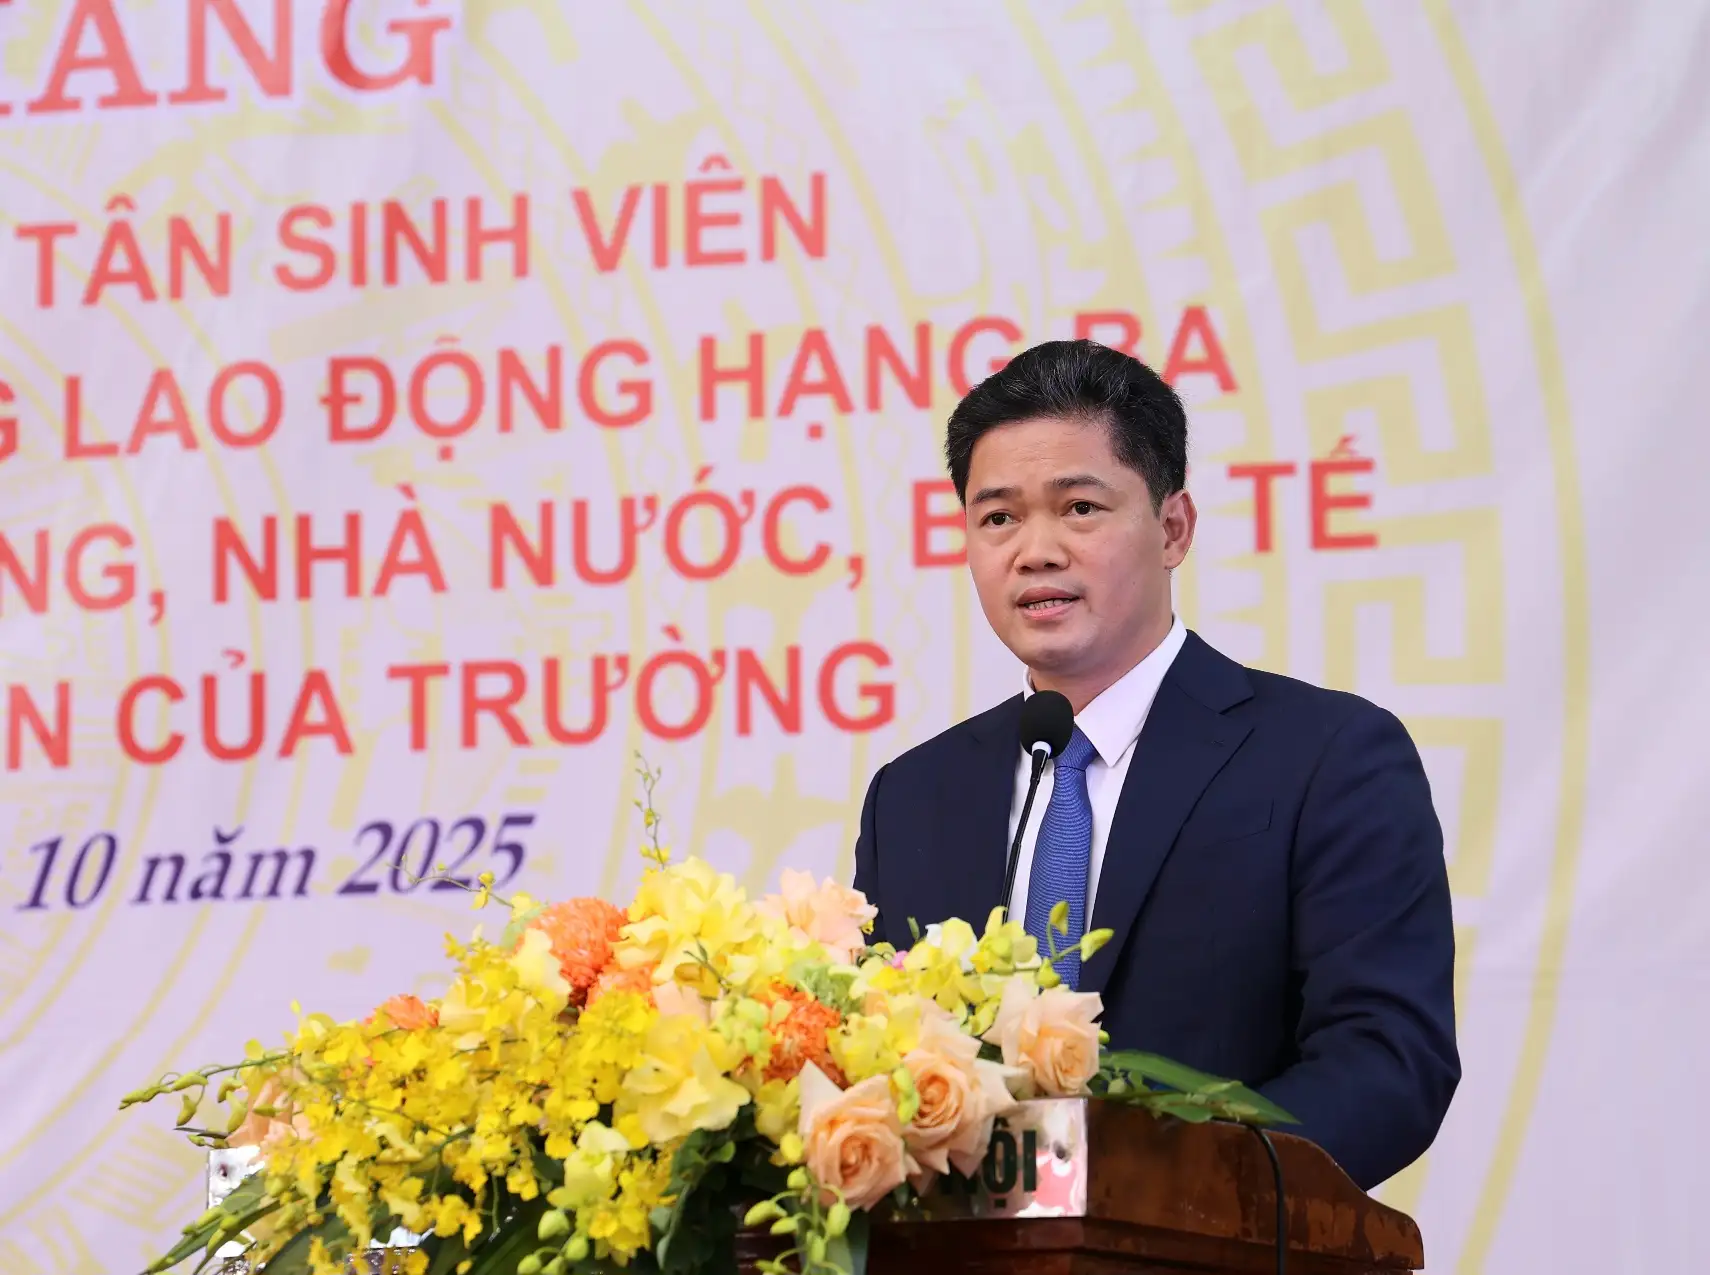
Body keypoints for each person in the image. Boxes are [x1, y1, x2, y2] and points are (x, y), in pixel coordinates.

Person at [851, 340, 1458, 1190]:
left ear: (1173, 528)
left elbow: (1389, 1061)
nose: (1035, 550)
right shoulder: (913, 796)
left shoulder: (1326, 756)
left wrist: (1155, 1190)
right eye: (998, 518)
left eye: (1079, 508)